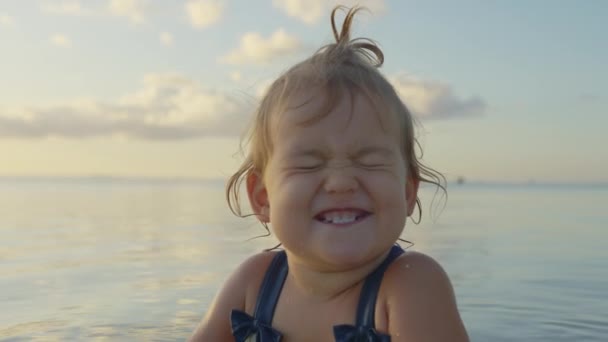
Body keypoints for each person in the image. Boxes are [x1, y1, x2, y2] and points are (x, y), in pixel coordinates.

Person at [190, 5, 469, 342]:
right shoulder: (253, 282)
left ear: (408, 192)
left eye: (369, 162)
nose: (341, 183)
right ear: (263, 197)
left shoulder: (411, 285)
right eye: (308, 164)